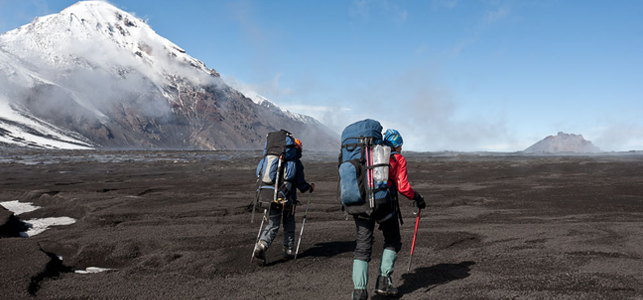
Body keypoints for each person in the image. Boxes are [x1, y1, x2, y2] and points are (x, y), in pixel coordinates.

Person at [351, 129, 426, 300]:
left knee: (362, 248)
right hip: (384, 205)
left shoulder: (369, 156)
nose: (401, 149)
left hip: (361, 203)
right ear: (397, 145)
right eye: (400, 145)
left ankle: (359, 292)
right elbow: (403, 188)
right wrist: (418, 197)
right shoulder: (397, 159)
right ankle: (384, 282)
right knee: (392, 240)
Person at [253, 138, 315, 266]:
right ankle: (288, 250)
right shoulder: (295, 162)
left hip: (269, 196)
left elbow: (258, 173)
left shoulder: (268, 159)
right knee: (289, 224)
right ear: (296, 149)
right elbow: (300, 183)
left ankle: (261, 246)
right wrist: (309, 187)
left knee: (272, 225)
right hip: (287, 199)